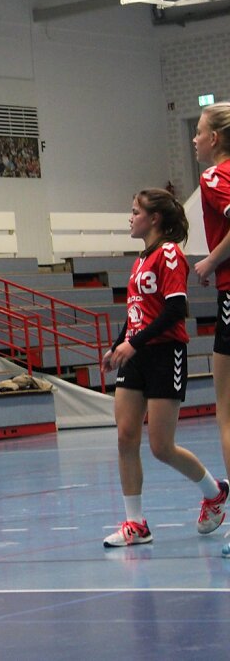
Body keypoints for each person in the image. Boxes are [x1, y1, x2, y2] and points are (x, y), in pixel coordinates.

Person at [101, 189, 228, 548]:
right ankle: (136, 524)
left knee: (161, 446)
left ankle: (214, 491)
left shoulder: (170, 255)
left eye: (135, 211)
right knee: (126, 436)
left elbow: (174, 311)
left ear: (154, 218)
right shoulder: (140, 259)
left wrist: (134, 343)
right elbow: (136, 312)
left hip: (165, 353)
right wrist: (117, 347)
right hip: (136, 354)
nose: (130, 217)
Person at [191, 102, 230, 557]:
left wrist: (210, 260)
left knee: (226, 411)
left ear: (215, 138)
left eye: (199, 132)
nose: (196, 139)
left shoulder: (215, 177)